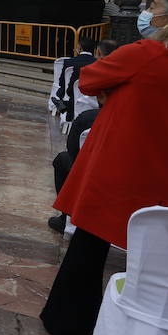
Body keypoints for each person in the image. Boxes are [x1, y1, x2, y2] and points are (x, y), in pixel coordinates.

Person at [41, 0, 168, 335]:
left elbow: (89, 79)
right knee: (154, 255)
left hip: (128, 162)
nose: (149, 12)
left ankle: (71, 322)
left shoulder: (149, 52)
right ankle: (140, 328)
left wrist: (114, 90)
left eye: (155, 7)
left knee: (90, 245)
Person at [48, 39, 118, 233]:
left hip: (94, 169)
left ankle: (66, 216)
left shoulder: (88, 118)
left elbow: (73, 148)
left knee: (65, 160)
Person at [52, 38, 99, 118]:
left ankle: (62, 104)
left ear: (80, 47)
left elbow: (62, 82)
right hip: (92, 99)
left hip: (71, 96)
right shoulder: (98, 64)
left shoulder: (69, 62)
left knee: (60, 93)